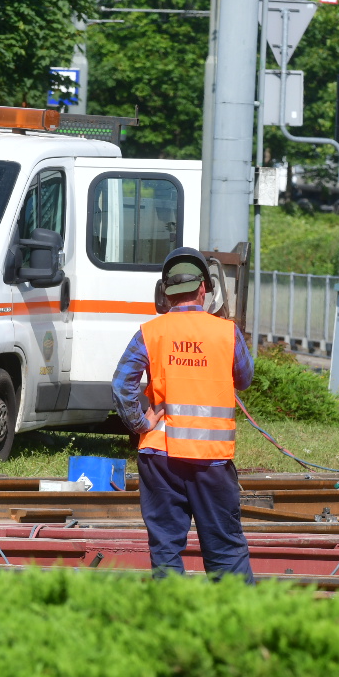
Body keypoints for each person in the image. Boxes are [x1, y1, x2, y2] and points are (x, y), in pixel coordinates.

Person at [113, 248, 255, 581]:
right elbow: (244, 378)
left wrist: (141, 422)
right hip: (211, 459)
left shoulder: (150, 332)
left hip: (159, 457)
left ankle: (170, 612)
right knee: (225, 550)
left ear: (165, 293)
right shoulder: (226, 332)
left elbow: (121, 385)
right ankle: (238, 613)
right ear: (204, 288)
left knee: (166, 550)